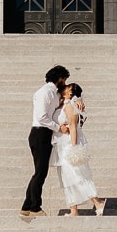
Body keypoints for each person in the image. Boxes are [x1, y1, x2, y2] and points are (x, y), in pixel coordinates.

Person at [51, 82, 106, 217]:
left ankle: (98, 202)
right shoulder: (61, 104)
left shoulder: (70, 106)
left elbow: (73, 127)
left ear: (70, 92)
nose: (62, 88)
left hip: (69, 144)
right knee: (66, 178)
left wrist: (74, 148)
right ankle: (73, 210)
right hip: (61, 145)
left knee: (77, 175)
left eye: (66, 87)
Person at [21, 65, 69, 216]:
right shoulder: (45, 92)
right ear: (60, 78)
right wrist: (58, 127)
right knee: (40, 172)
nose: (65, 82)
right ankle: (35, 207)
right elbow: (41, 116)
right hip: (40, 133)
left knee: (40, 172)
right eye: (64, 79)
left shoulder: (53, 93)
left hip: (44, 134)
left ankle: (26, 207)